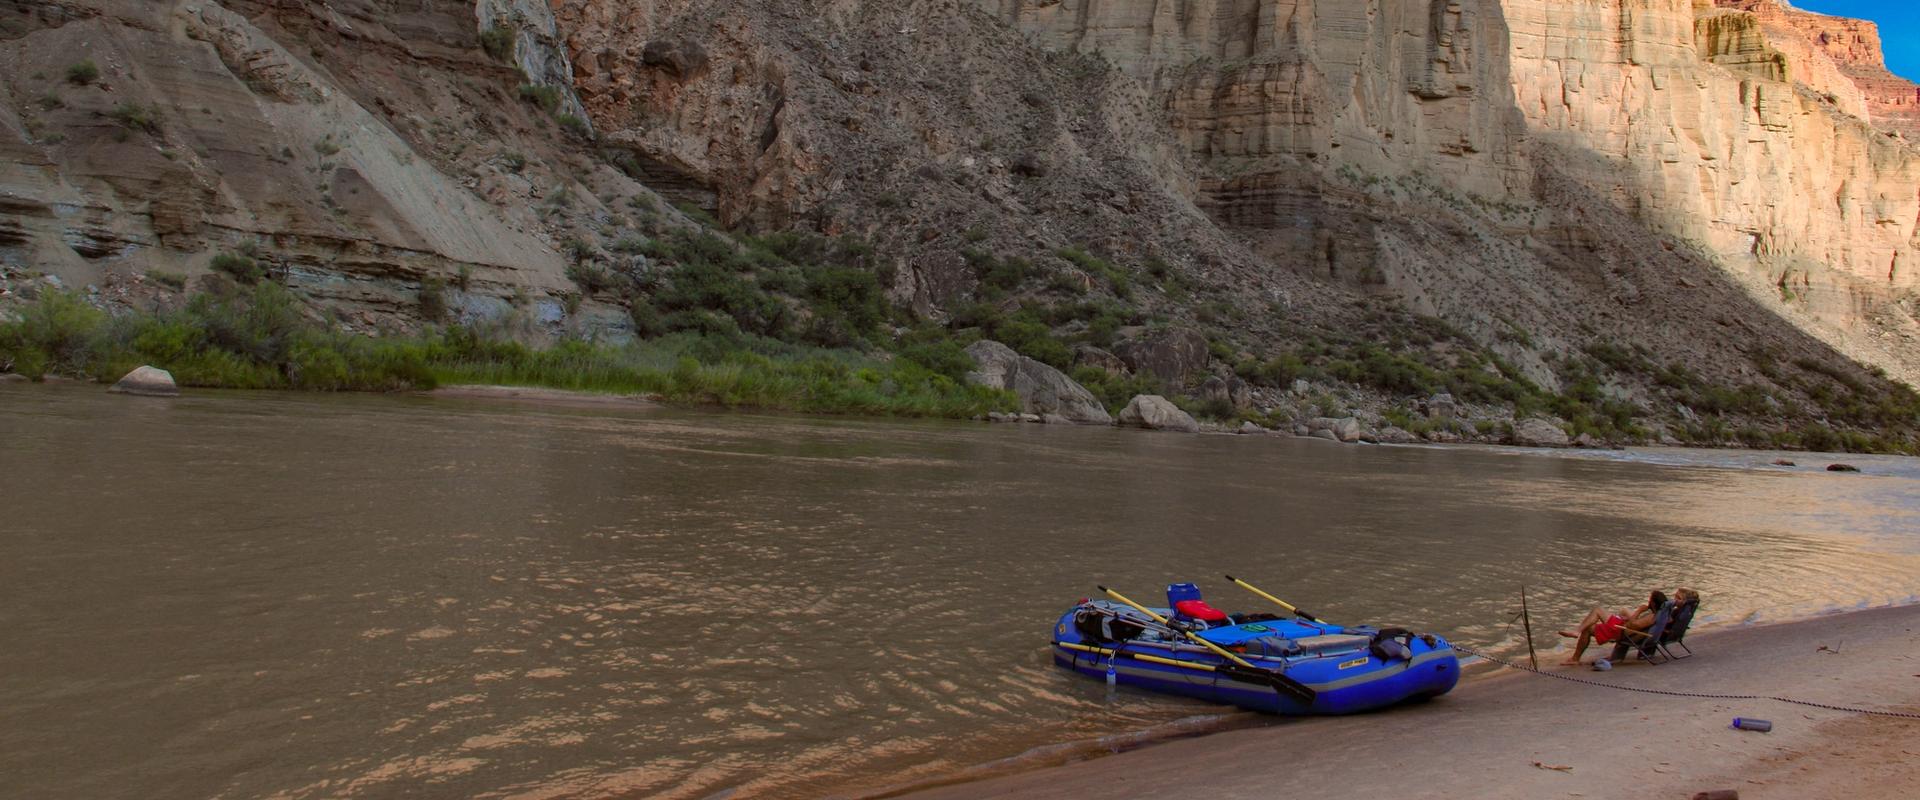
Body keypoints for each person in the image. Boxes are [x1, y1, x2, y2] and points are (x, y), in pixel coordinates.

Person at [1558, 589, 1668, 665]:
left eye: (1650, 599)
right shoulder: (1661, 614)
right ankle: (1577, 632)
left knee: (1589, 626)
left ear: (1653, 603)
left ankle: (1575, 655)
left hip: (1621, 631)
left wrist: (1639, 610)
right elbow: (1636, 624)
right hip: (1622, 626)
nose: (1648, 601)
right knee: (1598, 610)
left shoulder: (1652, 617)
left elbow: (1634, 625)